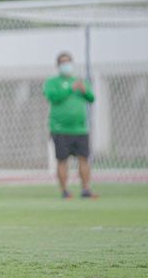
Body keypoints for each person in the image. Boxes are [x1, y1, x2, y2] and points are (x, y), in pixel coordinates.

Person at [43, 52, 98, 199]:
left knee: (84, 159)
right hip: (60, 129)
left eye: (68, 62)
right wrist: (71, 89)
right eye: (63, 63)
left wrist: (84, 89)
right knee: (62, 160)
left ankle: (86, 189)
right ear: (58, 65)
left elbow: (91, 98)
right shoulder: (52, 83)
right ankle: (64, 191)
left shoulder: (80, 82)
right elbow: (53, 97)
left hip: (80, 129)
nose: (66, 65)